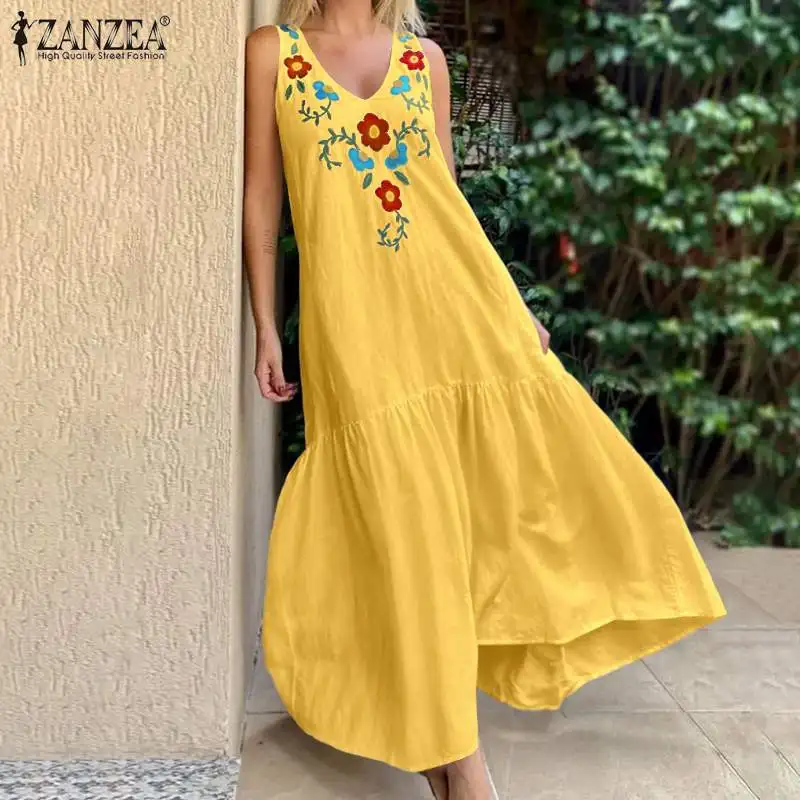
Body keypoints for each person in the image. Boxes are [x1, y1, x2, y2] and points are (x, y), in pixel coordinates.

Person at [242, 2, 727, 798]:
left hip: (454, 308)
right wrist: (267, 325)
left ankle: (456, 760)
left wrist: (510, 303)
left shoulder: (422, 61)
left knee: (472, 511)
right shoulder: (275, 52)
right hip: (353, 325)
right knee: (404, 522)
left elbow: (447, 200)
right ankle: (453, 758)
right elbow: (263, 196)